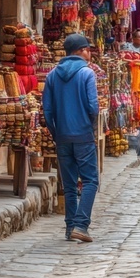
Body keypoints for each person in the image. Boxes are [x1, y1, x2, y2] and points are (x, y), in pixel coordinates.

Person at [43, 34, 101, 243]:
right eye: (87, 49)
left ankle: (70, 227)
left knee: (68, 184)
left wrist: (56, 133)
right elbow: (93, 107)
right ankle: (81, 225)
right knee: (90, 181)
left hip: (63, 136)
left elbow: (47, 111)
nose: (89, 53)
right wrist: (92, 129)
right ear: (80, 51)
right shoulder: (87, 74)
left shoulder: (51, 76)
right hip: (83, 134)